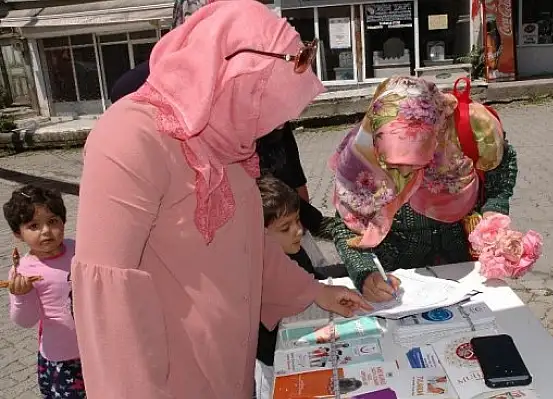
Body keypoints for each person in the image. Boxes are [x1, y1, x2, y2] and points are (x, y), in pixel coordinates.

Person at [70, 2, 371, 398]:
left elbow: (248, 246)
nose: (276, 125)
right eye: (267, 102)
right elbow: (107, 298)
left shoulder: (228, 138)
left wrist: (314, 291)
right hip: (170, 380)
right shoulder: (129, 138)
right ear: (234, 77)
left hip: (228, 364)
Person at [109, 0, 334, 240]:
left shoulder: (253, 90)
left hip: (263, 230)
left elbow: (286, 161)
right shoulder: (136, 109)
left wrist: (316, 224)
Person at [329, 76, 518, 302]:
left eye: (418, 161)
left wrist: (494, 215)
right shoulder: (361, 159)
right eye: (393, 166)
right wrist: (365, 274)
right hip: (397, 280)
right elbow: (344, 226)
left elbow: (501, 170)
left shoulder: (465, 135)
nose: (407, 175)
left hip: (465, 267)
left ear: (433, 137)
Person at [2, 185, 85, 399]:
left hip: (96, 347)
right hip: (62, 356)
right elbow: (26, 321)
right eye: (34, 226)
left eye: (53, 221)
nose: (46, 231)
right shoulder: (22, 271)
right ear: (17, 233)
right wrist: (21, 296)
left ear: (63, 222)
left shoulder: (78, 249)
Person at [254, 175, 325, 399]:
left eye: (297, 221)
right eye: (285, 228)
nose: (298, 231)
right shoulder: (259, 272)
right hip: (274, 362)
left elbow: (313, 284)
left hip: (304, 347)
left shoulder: (296, 251)